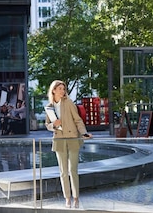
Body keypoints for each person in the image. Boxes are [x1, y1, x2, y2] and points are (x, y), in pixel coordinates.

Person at [45, 80, 92, 208]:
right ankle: (67, 198)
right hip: (59, 140)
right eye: (60, 88)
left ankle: (76, 198)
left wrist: (84, 133)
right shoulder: (49, 106)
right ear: (53, 90)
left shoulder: (69, 103)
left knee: (73, 170)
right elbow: (47, 125)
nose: (62, 91)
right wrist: (52, 125)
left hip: (72, 138)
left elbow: (78, 120)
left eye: (63, 89)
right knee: (63, 172)